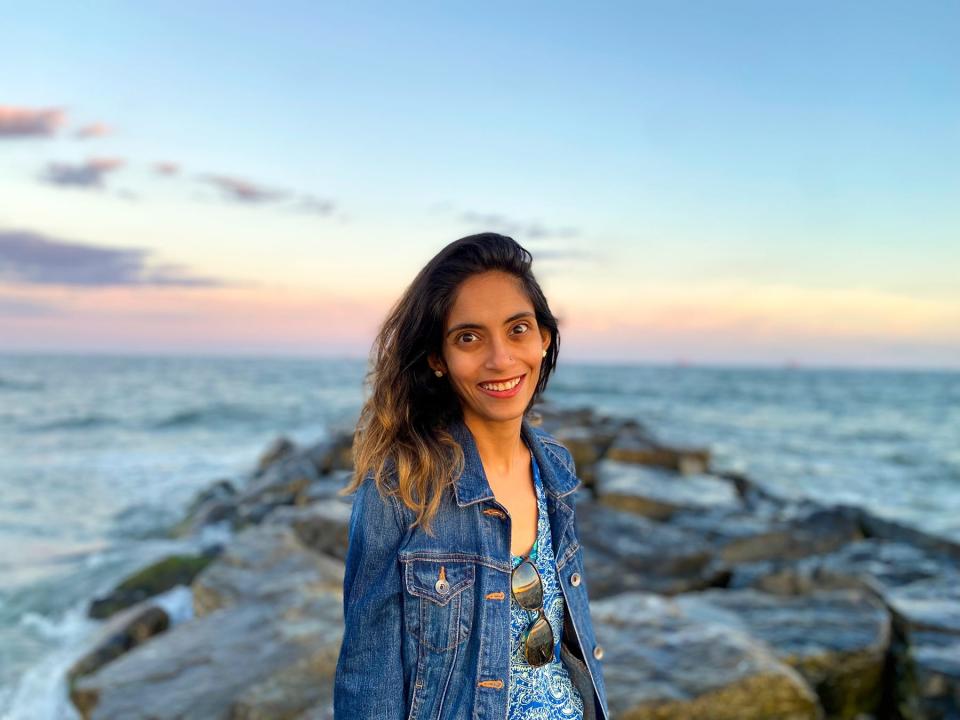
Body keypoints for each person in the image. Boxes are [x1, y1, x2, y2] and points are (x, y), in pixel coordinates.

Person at [333, 233, 609, 720]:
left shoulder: (556, 467)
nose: (500, 359)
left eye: (518, 329)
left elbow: (573, 642)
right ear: (438, 359)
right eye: (469, 337)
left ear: (544, 339)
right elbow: (367, 679)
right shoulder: (401, 489)